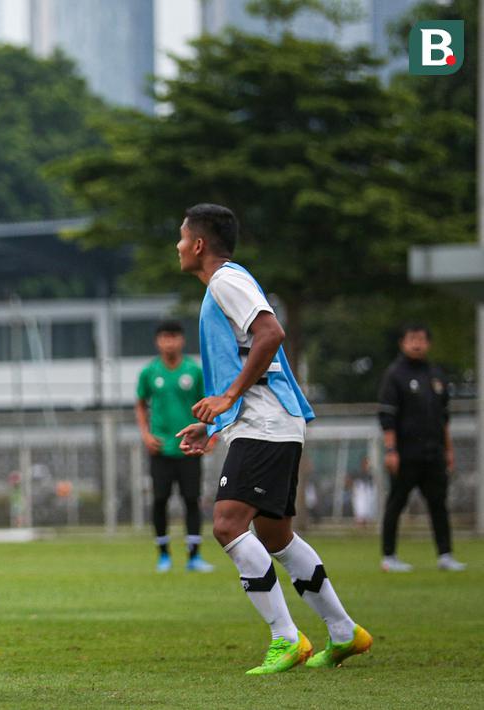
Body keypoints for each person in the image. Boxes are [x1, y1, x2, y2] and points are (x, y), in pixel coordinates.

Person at [174, 203, 371, 674]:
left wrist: (228, 397)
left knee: (225, 524)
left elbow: (271, 333)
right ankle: (345, 633)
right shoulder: (225, 284)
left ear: (199, 244)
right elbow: (250, 348)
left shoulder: (225, 280)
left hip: (266, 422)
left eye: (181, 238)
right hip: (266, 420)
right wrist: (218, 418)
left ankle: (286, 639)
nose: (177, 246)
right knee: (275, 533)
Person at [378, 324, 466, 572]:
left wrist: (448, 450)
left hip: (434, 453)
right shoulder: (394, 374)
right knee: (396, 503)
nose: (416, 344)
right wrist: (391, 450)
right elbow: (387, 417)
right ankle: (389, 557)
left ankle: (445, 555)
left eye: (421, 339)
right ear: (402, 343)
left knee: (439, 503)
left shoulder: (436, 375)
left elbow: (444, 418)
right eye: (411, 339)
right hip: (405, 454)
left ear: (428, 343)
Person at [134, 320, 213, 573]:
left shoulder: (194, 370)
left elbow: (209, 403)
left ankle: (194, 556)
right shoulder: (149, 372)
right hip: (160, 449)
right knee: (160, 500)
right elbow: (140, 403)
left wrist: (209, 434)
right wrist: (146, 435)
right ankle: (164, 555)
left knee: (192, 499)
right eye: (165, 337)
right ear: (158, 341)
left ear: (182, 340)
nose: (170, 342)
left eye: (174, 337)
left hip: (189, 447)